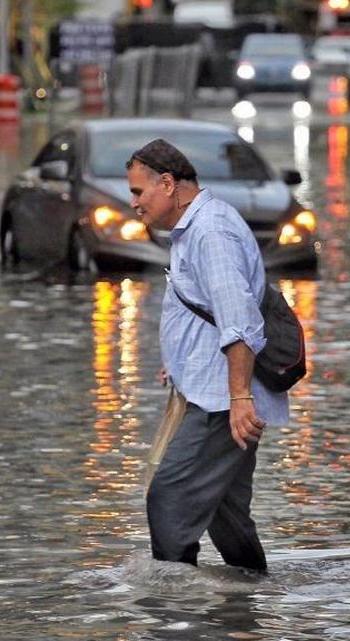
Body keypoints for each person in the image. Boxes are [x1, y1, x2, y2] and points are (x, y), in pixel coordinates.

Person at [126, 138, 288, 573]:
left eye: (138, 193)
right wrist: (178, 358)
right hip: (216, 390)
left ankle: (173, 612)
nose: (134, 204)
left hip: (221, 401)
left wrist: (239, 398)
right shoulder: (195, 229)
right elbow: (205, 310)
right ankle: (250, 596)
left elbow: (240, 321)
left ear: (167, 184)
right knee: (225, 512)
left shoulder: (211, 232)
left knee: (170, 498)